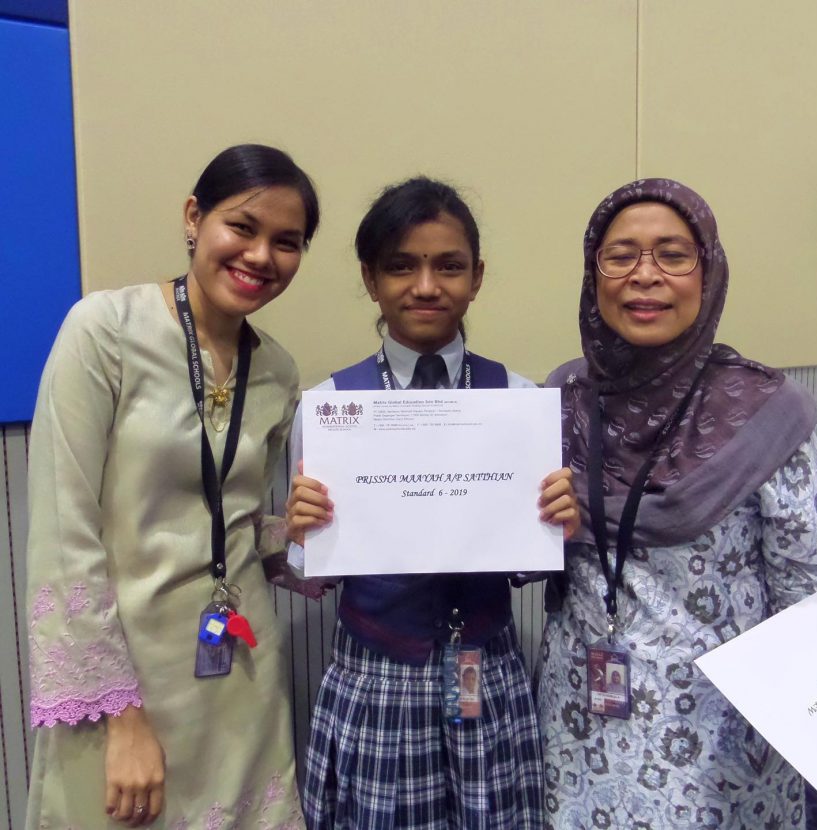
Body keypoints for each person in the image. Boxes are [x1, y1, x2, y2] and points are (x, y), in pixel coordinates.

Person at [25, 144, 319, 829]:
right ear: (194, 217)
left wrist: (294, 531)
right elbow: (63, 535)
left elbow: (233, 527)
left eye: (286, 242)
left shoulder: (276, 371)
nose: (260, 257)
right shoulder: (104, 331)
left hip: (239, 682)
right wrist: (121, 719)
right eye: (241, 228)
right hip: (123, 687)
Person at [535, 178, 817, 829]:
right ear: (594, 273)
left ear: (709, 270)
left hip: (722, 738)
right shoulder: (561, 399)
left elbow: (811, 596)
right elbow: (521, 557)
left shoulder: (767, 414)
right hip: (581, 716)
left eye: (673, 254)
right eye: (621, 255)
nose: (646, 276)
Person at [286, 177, 579, 829]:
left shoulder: (519, 401)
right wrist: (301, 534)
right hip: (377, 675)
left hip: (486, 668)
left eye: (448, 266)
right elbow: (311, 572)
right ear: (370, 279)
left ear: (477, 277)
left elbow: (532, 564)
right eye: (401, 266)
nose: (425, 286)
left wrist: (559, 525)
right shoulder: (331, 406)